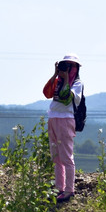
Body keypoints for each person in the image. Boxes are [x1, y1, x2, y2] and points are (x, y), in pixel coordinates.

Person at [42, 53, 83, 202]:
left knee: (66, 157)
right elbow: (46, 92)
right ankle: (59, 188)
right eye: (65, 65)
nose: (68, 68)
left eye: (71, 66)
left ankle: (69, 190)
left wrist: (66, 78)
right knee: (56, 157)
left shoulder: (77, 84)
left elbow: (66, 98)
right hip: (53, 118)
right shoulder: (58, 81)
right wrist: (55, 75)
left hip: (66, 120)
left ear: (76, 68)